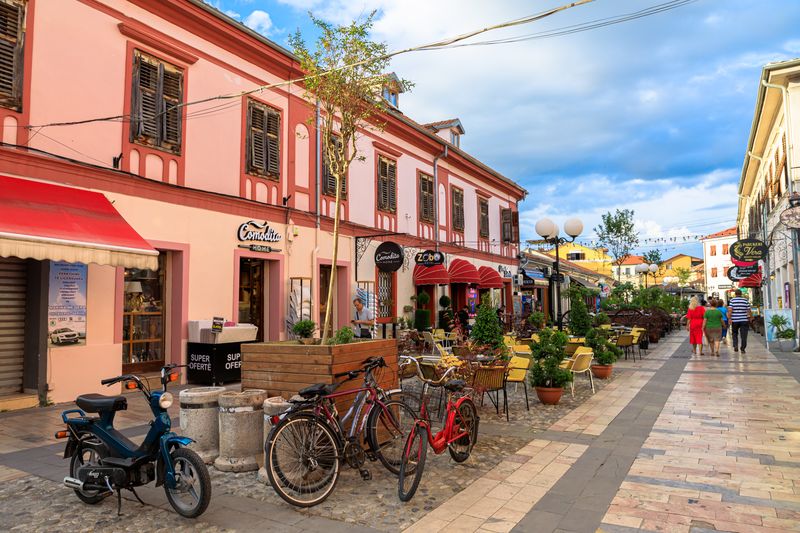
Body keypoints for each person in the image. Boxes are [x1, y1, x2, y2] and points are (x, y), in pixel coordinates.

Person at [728, 289, 752, 353]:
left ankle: (735, 345)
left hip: (735, 320)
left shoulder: (732, 300)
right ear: (741, 294)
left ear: (735, 294)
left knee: (734, 333)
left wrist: (729, 318)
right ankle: (743, 348)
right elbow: (748, 310)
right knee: (744, 335)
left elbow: (730, 310)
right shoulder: (745, 300)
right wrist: (750, 318)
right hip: (744, 320)